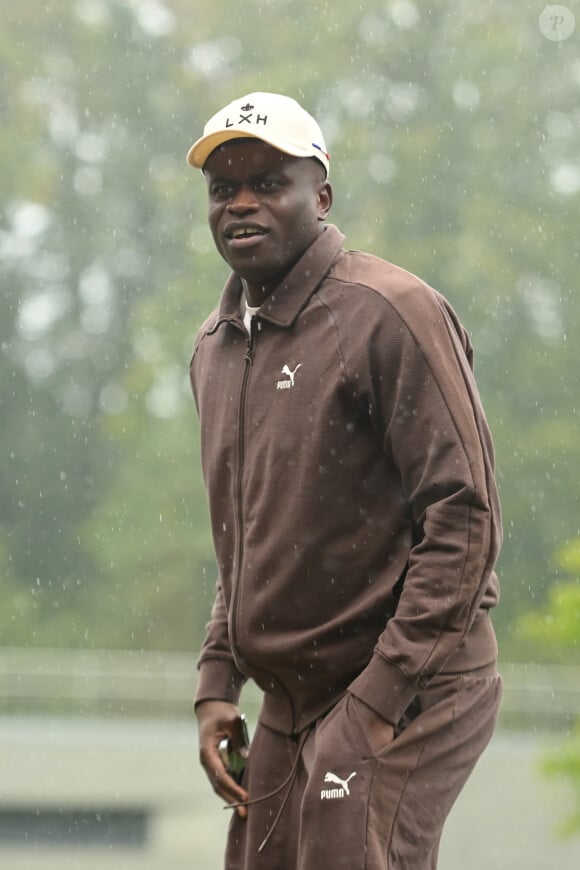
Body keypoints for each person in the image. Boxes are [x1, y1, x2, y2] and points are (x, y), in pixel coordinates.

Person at [186, 92, 503, 870]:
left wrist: (378, 698)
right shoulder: (215, 346)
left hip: (411, 679)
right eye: (224, 188)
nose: (243, 203)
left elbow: (464, 522)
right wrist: (218, 683)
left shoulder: (389, 311)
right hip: (290, 701)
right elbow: (245, 536)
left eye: (269, 181)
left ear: (321, 196)